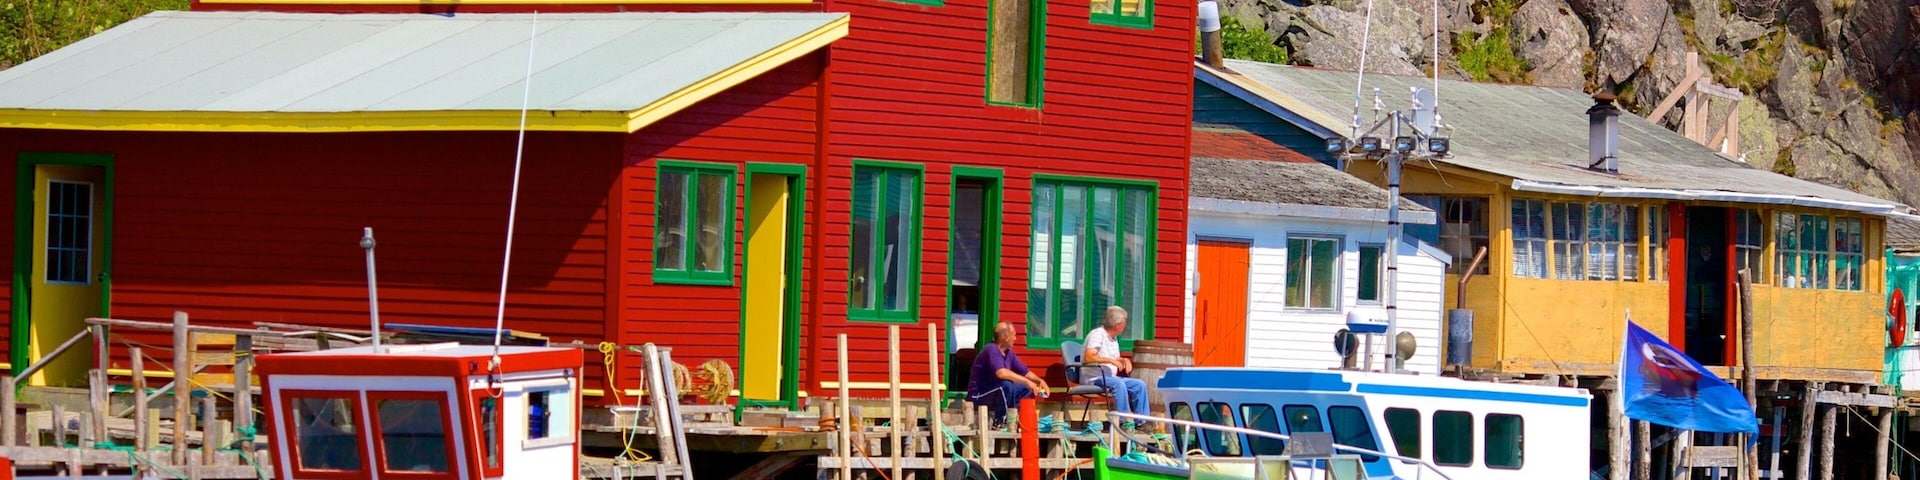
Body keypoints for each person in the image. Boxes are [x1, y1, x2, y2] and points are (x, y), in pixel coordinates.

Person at [968, 323, 1049, 428]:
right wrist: (1027, 381)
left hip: (996, 393)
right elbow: (1001, 373)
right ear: (1005, 337)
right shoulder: (991, 349)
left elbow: (1025, 372)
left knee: (1027, 388)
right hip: (979, 395)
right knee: (1006, 385)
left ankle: (1017, 418)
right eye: (1014, 335)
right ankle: (1000, 421)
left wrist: (1040, 381)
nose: (1015, 339)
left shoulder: (1008, 353)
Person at [1083, 306, 1149, 428]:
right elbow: (1088, 357)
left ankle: (1142, 422)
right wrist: (1111, 361)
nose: (1125, 326)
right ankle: (1125, 420)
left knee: (1139, 384)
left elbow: (1115, 358)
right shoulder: (1097, 335)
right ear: (1117, 325)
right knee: (1119, 384)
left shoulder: (1113, 338)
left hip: (1110, 377)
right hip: (1095, 378)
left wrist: (1124, 360)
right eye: (1124, 323)